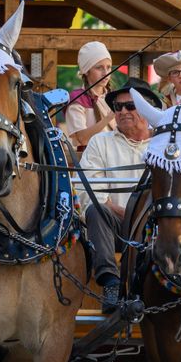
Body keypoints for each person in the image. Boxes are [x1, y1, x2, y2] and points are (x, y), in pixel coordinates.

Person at [76, 78, 157, 311]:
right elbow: (88, 192)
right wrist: (128, 213)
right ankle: (111, 283)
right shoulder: (100, 142)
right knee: (97, 210)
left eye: (130, 106)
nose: (122, 112)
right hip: (116, 227)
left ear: (148, 109)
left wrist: (140, 214)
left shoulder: (163, 143)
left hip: (155, 225)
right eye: (117, 107)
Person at [65, 41, 118, 150]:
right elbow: (82, 139)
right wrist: (108, 118)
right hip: (90, 160)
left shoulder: (115, 97)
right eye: (99, 68)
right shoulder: (77, 99)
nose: (105, 73)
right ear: (86, 71)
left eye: (108, 67)